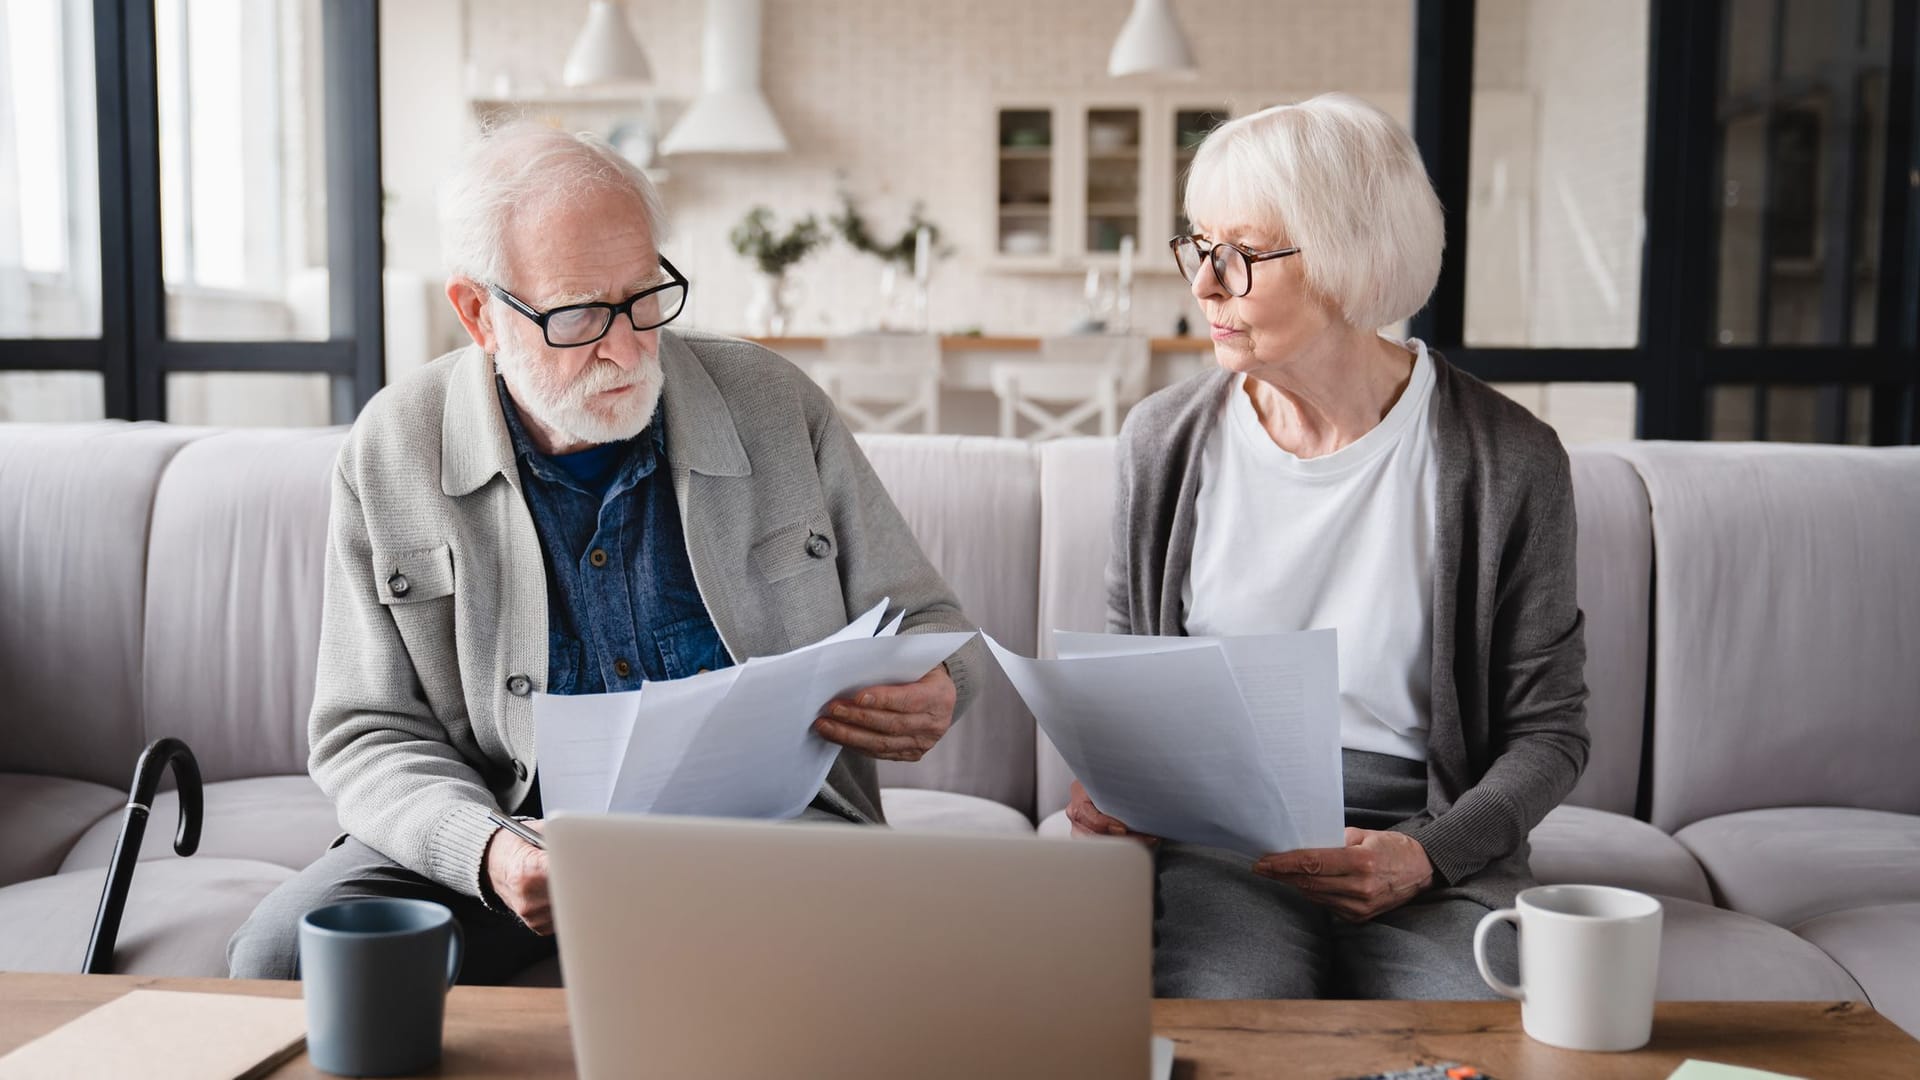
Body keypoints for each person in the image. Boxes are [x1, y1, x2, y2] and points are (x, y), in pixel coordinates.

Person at [228, 121, 984, 982]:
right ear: (480, 313)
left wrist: (938, 691)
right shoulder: (391, 450)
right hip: (510, 839)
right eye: (580, 314)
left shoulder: (776, 406)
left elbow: (935, 627)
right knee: (282, 957)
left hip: (768, 840)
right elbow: (366, 730)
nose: (626, 348)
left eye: (644, 297)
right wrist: (489, 851)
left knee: (910, 958)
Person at [1067, 93, 1590, 999]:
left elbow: (1549, 732)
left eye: (1240, 255)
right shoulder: (1163, 441)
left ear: (1352, 257)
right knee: (1224, 1021)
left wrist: (1428, 857)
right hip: (1221, 842)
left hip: (1429, 834)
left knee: (1456, 1042)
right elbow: (1133, 679)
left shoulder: (1510, 458)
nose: (1203, 285)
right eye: (1198, 244)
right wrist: (1119, 786)